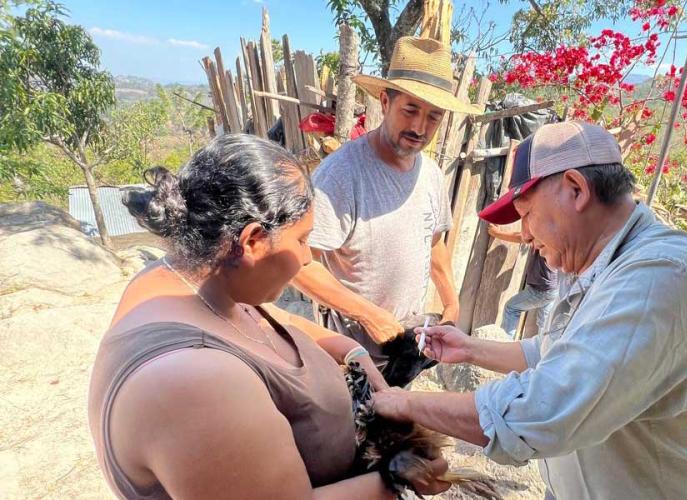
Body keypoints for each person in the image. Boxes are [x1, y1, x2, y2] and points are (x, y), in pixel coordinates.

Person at [373, 122, 687, 499]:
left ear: (576, 189)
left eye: (527, 213)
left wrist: (405, 403)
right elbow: (556, 352)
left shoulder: (660, 276)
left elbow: (540, 411)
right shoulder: (607, 268)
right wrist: (469, 349)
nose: (525, 235)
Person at [88, 134, 450, 499]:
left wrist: (351, 352)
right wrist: (401, 476)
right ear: (253, 241)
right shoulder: (198, 388)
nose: (308, 258)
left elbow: (272, 322)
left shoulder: (193, 280)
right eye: (302, 240)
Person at [292, 36, 478, 372]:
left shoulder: (431, 174)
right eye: (410, 110)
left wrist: (451, 306)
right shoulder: (342, 175)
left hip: (410, 341)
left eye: (433, 117)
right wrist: (368, 314)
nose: (420, 127)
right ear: (384, 101)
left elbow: (433, 243)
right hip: (353, 351)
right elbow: (298, 263)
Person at [487, 223, 556, 339]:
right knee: (544, 323)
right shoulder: (556, 233)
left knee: (511, 308)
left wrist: (497, 233)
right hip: (553, 288)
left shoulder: (544, 235)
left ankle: (505, 344)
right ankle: (545, 350)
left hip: (541, 290)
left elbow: (521, 238)